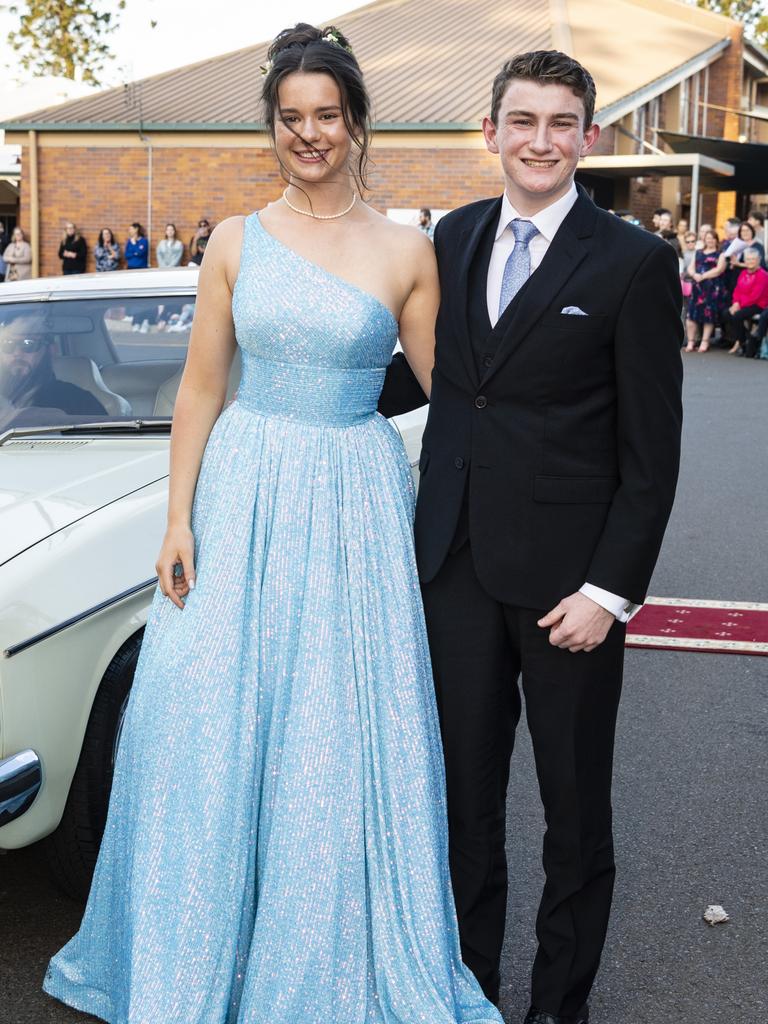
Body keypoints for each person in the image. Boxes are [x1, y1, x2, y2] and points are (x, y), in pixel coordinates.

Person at [44, 23, 503, 1024]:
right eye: (291, 118)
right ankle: (195, 951)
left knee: (332, 733)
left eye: (326, 116)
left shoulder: (403, 250)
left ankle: (321, 967)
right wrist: (178, 519)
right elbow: (203, 389)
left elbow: (454, 396)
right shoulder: (236, 240)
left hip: (353, 503)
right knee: (202, 725)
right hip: (244, 492)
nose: (309, 135)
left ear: (354, 122)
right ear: (273, 125)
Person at [392, 50, 683, 1023]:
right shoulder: (453, 238)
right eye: (524, 120)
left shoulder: (635, 262)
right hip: (458, 571)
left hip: (570, 590)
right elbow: (425, 378)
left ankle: (560, 1003)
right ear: (492, 133)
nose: (542, 140)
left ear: (588, 139)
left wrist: (611, 591)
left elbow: (652, 452)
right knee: (466, 806)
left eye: (563, 123)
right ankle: (467, 990)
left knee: (572, 811)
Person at [0, 315, 107, 417]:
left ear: (51, 350)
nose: (17, 353)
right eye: (7, 343)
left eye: (28, 344)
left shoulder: (79, 401)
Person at [685, 228, 726, 353]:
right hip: (697, 288)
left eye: (713, 239)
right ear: (704, 239)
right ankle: (691, 341)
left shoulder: (720, 254)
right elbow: (691, 268)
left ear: (716, 240)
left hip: (712, 288)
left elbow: (719, 269)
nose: (710, 241)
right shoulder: (698, 252)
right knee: (691, 314)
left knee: (708, 315)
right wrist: (695, 275)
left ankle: (705, 341)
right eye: (708, 238)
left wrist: (703, 275)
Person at [722, 247, 768, 356]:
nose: (750, 261)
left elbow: (755, 296)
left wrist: (739, 305)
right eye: (748, 259)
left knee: (737, 315)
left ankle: (741, 342)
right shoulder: (743, 273)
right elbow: (737, 291)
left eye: (753, 259)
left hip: (758, 304)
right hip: (742, 304)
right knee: (725, 314)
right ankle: (741, 339)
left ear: (758, 260)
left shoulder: (763, 275)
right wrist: (735, 303)